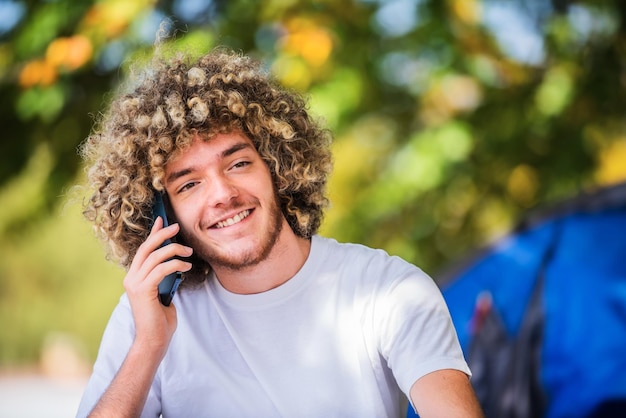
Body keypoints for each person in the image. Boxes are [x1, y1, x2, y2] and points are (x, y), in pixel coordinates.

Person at [76, 46, 484, 418]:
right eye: (189, 184)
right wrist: (148, 345)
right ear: (160, 214)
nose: (222, 194)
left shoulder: (388, 291)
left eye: (237, 164)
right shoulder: (145, 317)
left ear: (277, 165)